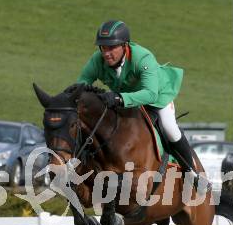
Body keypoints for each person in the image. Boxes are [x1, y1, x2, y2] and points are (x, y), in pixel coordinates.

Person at [77, 20, 209, 192]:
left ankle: (192, 172)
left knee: (169, 128)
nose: (106, 53)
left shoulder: (142, 57)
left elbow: (150, 93)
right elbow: (81, 85)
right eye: (103, 48)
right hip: (125, 101)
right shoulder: (97, 60)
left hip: (156, 98)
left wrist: (118, 98)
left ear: (124, 46)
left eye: (112, 48)